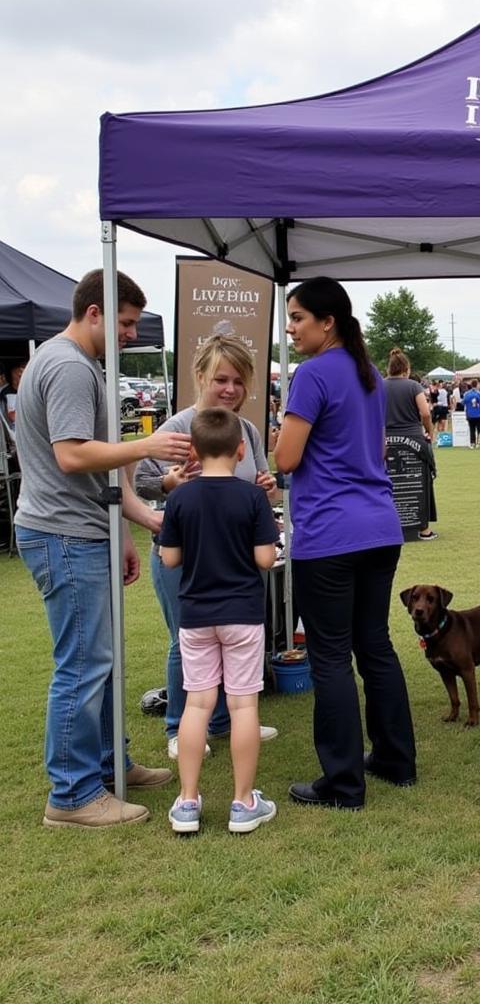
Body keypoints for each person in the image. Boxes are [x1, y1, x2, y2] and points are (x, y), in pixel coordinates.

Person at [15, 268, 192, 828]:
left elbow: (93, 480)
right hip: (63, 536)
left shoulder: (69, 362)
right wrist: (149, 444)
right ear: (93, 312)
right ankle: (71, 795)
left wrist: (135, 524)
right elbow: (72, 456)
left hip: (81, 530)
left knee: (103, 659)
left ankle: (112, 763)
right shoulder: (69, 365)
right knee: (85, 665)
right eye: (124, 323)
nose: (129, 335)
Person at [275, 277, 416, 810]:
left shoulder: (311, 374)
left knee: (330, 658)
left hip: (330, 533)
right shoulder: (370, 375)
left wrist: (279, 439)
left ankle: (341, 782)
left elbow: (286, 459)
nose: (290, 328)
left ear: (326, 321)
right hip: (380, 527)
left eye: (297, 318)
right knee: (373, 644)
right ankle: (395, 759)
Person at [135, 333, 279, 760]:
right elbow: (139, 479)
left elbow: (261, 480)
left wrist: (266, 488)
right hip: (183, 556)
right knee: (187, 640)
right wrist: (169, 483)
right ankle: (179, 726)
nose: (231, 389)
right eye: (221, 379)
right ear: (200, 377)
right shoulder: (178, 428)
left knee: (229, 638)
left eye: (238, 380)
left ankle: (222, 721)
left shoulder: (247, 430)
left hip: (234, 557)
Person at [159, 408, 279, 834]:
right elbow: (266, 557)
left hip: (195, 616)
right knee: (243, 704)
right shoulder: (251, 497)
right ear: (241, 449)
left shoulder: (179, 498)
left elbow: (170, 558)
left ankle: (188, 801)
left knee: (197, 703)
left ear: (192, 450)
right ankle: (243, 803)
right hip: (242, 614)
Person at [383, 347, 438, 540]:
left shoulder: (378, 386)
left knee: (387, 483)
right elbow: (425, 413)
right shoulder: (413, 386)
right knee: (420, 483)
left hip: (385, 442)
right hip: (413, 440)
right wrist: (430, 432)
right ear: (406, 368)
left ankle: (388, 527)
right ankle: (423, 530)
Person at [463, 379, 480, 447]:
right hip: (479, 414)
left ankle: (472, 443)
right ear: (477, 385)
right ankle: (479, 443)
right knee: (479, 429)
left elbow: (463, 402)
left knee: (472, 429)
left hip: (470, 414)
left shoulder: (467, 394)